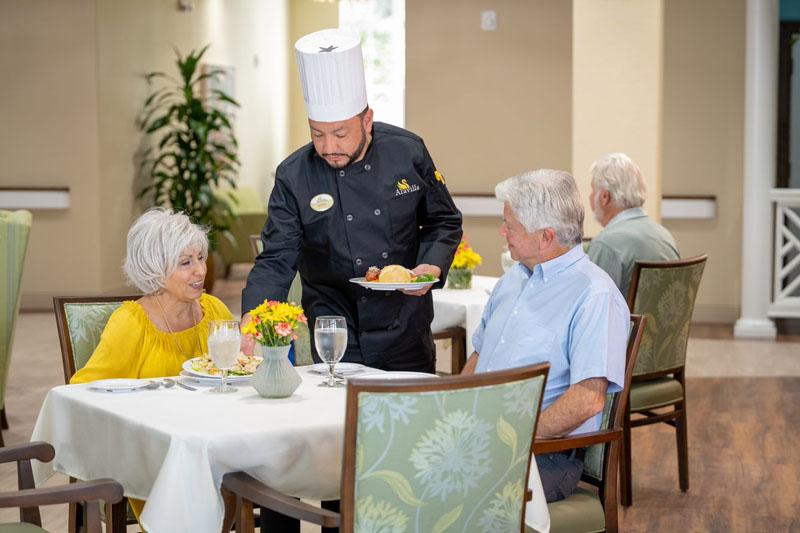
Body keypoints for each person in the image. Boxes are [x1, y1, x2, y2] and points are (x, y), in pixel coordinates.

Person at [242, 28, 462, 374]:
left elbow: (443, 221)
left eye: (341, 133)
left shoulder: (407, 152)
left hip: (404, 325)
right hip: (334, 328)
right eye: (318, 134)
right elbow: (276, 257)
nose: (329, 146)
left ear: (367, 120)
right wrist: (253, 316)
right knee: (340, 423)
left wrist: (431, 267)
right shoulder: (293, 175)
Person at [461, 169, 629, 503]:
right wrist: (454, 412)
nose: (501, 231)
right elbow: (480, 356)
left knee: (436, 491)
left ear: (546, 237)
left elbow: (588, 399)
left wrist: (509, 437)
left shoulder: (594, 294)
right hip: (480, 436)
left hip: (544, 454)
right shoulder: (513, 279)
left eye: (511, 225)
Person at [70, 207, 235, 523]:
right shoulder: (132, 323)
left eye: (200, 258)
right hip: (154, 452)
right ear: (154, 270)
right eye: (185, 263)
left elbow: (236, 371)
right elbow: (81, 391)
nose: (200, 270)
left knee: (257, 466)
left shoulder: (214, 311)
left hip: (215, 439)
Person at [587, 153, 680, 298]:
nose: (590, 196)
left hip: (625, 321)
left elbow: (591, 307)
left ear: (605, 197)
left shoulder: (607, 244)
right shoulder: (665, 236)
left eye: (592, 189)